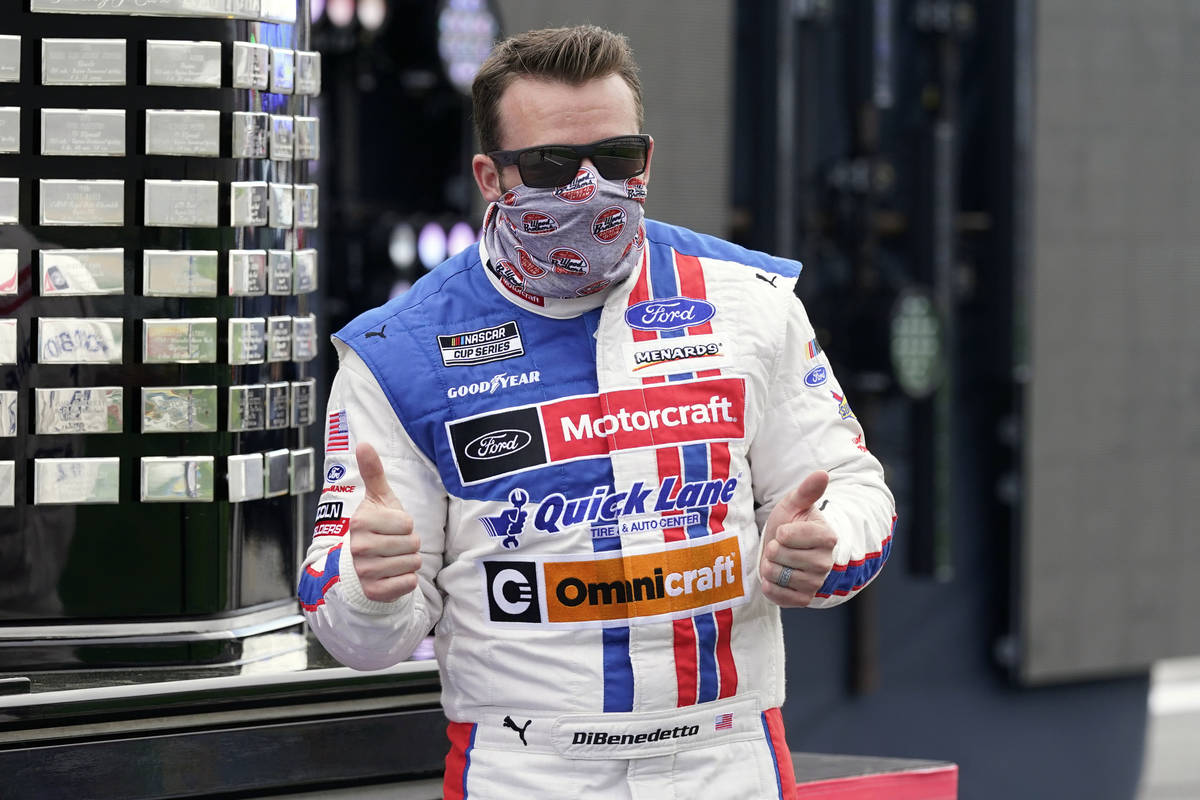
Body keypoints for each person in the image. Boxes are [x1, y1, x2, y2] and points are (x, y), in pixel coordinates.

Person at [299, 25, 895, 800]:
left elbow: (855, 490)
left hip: (726, 755)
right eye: (552, 164)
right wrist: (370, 586)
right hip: (528, 770)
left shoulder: (748, 300)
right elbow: (357, 637)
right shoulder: (398, 352)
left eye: (617, 159)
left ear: (646, 158)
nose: (590, 187)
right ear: (489, 174)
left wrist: (826, 547)